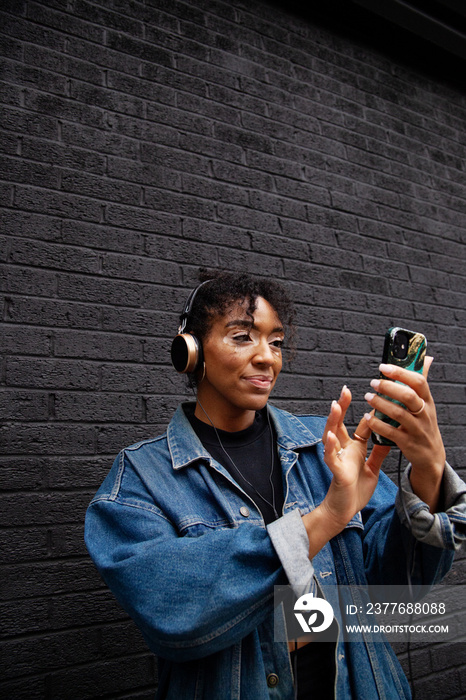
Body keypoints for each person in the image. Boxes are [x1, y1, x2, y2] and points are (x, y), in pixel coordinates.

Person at [85, 271, 466, 699]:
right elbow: (172, 611)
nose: (268, 357)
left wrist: (428, 468)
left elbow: (398, 586)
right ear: (191, 351)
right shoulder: (141, 478)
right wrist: (326, 519)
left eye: (277, 342)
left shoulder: (326, 447)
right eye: (243, 337)